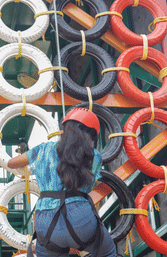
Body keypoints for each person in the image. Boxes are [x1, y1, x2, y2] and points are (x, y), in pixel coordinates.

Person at [7, 108, 116, 257]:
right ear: (91, 134)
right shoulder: (94, 156)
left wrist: (38, 168)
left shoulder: (42, 150)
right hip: (80, 217)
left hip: (46, 222)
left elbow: (12, 163)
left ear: (64, 129)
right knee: (108, 252)